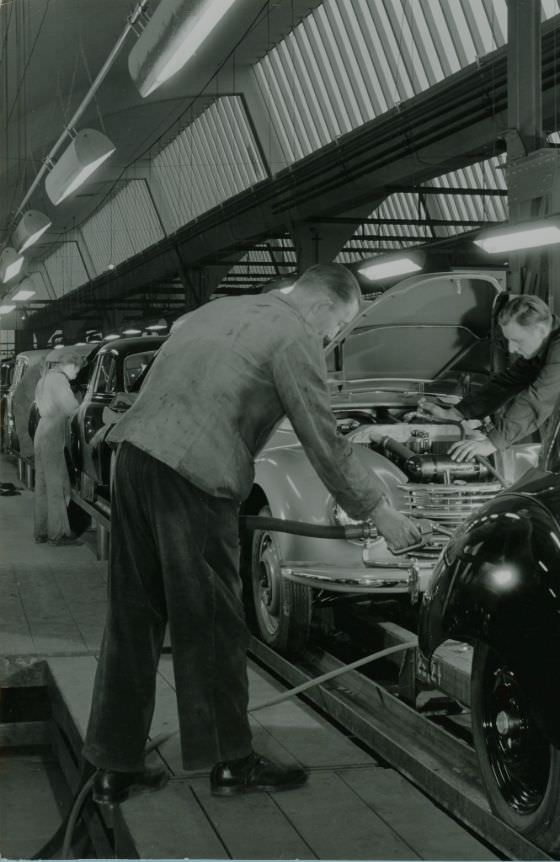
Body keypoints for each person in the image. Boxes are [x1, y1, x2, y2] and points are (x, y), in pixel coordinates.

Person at [82, 263, 422, 805]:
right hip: (193, 475)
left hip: (132, 459)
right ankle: (231, 764)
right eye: (335, 329)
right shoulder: (294, 334)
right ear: (319, 307)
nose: (331, 339)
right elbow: (324, 439)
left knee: (132, 615)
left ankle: (113, 767)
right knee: (211, 622)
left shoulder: (214, 310)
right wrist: (379, 510)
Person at [419, 294, 560, 462]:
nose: (512, 349)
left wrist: (492, 442)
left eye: (517, 340)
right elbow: (506, 383)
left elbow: (540, 397)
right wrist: (456, 413)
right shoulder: (544, 344)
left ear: (541, 330)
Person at [33, 347, 85, 545]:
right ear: (70, 364)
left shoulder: (43, 379)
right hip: (53, 431)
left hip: (41, 429)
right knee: (57, 484)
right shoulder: (60, 379)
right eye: (77, 369)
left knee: (42, 484)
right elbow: (71, 408)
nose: (77, 374)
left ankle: (41, 531)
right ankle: (59, 534)